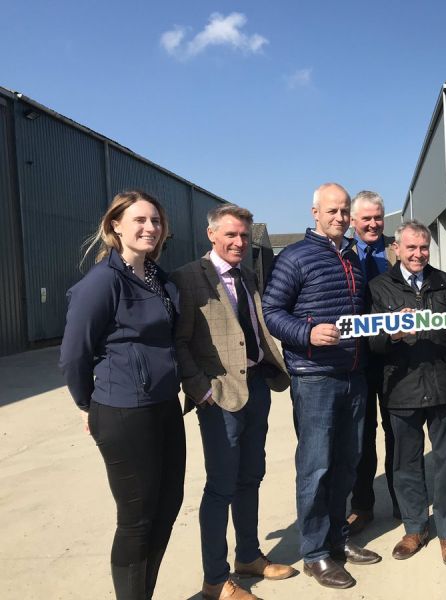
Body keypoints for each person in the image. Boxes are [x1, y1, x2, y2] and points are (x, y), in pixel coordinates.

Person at [59, 190, 185, 600]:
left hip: (164, 404)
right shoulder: (102, 282)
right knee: (137, 518)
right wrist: (86, 404)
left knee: (167, 507)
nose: (150, 228)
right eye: (140, 220)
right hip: (124, 410)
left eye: (156, 221)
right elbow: (74, 354)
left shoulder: (158, 278)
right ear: (115, 225)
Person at [171, 204, 296, 600]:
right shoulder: (189, 279)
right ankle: (215, 580)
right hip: (220, 397)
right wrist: (201, 390)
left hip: (258, 387)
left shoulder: (247, 275)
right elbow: (178, 342)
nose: (239, 242)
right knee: (221, 486)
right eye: (231, 235)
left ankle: (248, 556)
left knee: (251, 477)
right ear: (212, 235)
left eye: (243, 235)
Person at [262, 182, 381, 590]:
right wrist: (307, 333)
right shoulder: (295, 257)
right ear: (315, 213)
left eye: (344, 210)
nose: (340, 217)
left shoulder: (351, 256)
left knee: (347, 462)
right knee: (316, 467)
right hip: (315, 377)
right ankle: (314, 553)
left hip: (353, 373)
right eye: (331, 210)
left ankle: (337, 539)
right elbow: (272, 311)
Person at [369, 219, 446, 569]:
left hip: (443, 385)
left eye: (423, 247)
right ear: (396, 249)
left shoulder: (445, 283)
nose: (418, 254)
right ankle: (415, 528)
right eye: (411, 247)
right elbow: (371, 342)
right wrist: (392, 335)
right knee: (406, 463)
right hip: (401, 388)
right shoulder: (378, 288)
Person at [347, 190, 400, 535]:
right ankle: (362, 505)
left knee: (399, 432)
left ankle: (402, 500)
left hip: (395, 359)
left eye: (378, 217)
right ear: (353, 221)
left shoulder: (399, 249)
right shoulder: (341, 252)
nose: (373, 224)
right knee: (361, 437)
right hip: (357, 361)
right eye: (365, 218)